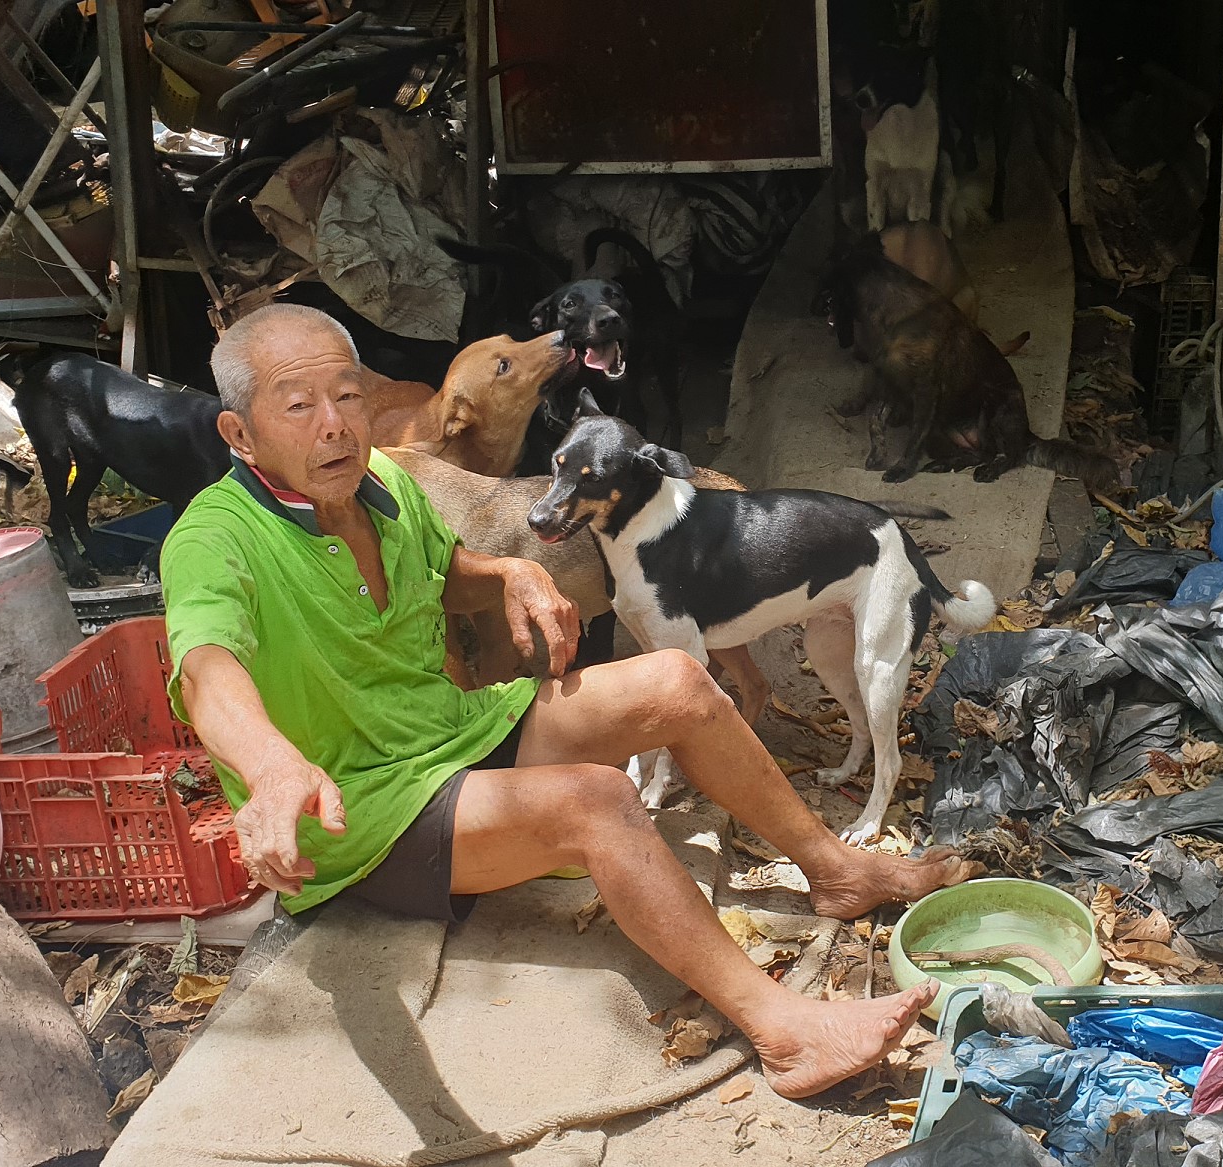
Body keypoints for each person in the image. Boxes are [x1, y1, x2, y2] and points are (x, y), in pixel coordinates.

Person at [161, 303, 981, 1099]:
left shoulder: (382, 480)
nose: (334, 425)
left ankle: (836, 871)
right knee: (599, 799)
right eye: (298, 406)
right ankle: (784, 1029)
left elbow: (444, 571)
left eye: (346, 394)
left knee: (679, 679)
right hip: (364, 808)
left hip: (450, 728)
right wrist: (271, 766)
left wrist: (510, 571)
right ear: (240, 434)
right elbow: (206, 666)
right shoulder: (212, 538)